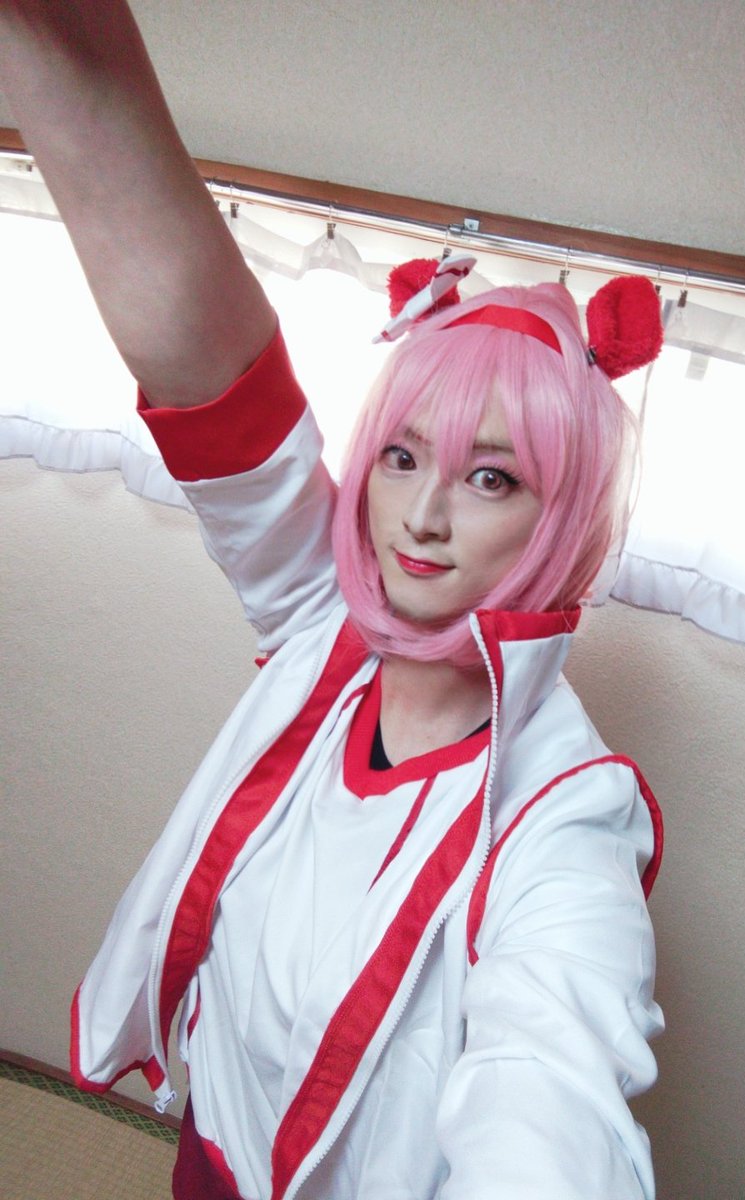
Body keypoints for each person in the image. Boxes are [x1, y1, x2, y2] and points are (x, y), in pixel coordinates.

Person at [0, 3, 665, 1198]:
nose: (421, 516)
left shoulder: (566, 813)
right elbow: (215, 386)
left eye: (493, 477)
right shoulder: (326, 624)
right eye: (401, 457)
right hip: (206, 1154)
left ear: (560, 517)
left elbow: (553, 1073)